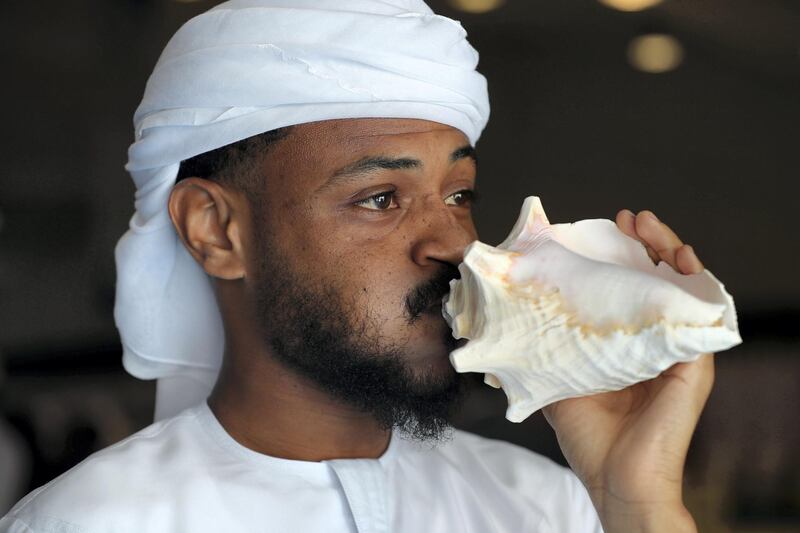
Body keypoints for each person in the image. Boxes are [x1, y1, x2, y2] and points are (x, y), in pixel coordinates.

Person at [1, 1, 714, 531]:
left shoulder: (549, 506)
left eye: (459, 194)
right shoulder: (88, 522)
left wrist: (641, 502)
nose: (455, 243)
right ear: (216, 229)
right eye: (380, 197)